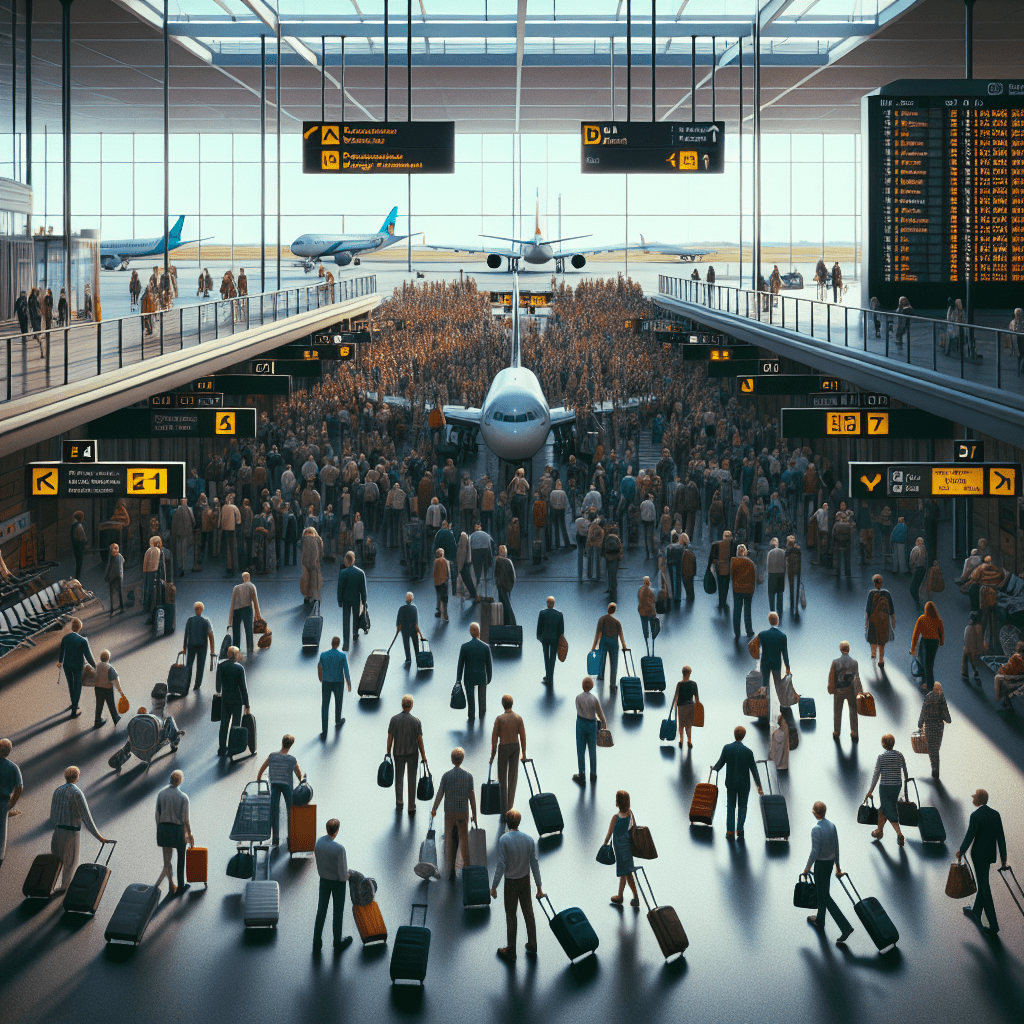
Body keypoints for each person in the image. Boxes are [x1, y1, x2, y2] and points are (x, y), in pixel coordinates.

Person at [491, 808, 544, 963]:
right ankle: (533, 944)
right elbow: (534, 864)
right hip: (525, 880)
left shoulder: (504, 840)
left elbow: (501, 864)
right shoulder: (528, 839)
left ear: (507, 823)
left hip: (510, 883)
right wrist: (539, 886)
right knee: (529, 913)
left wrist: (494, 886)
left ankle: (511, 950)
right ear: (519, 822)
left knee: (511, 915)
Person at [957, 789, 1008, 936]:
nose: (973, 799)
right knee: (983, 881)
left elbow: (970, 836)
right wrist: (1003, 859)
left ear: (979, 799)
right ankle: (976, 911)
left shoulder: (976, 816)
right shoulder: (995, 814)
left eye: (974, 797)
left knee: (984, 887)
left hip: (978, 856)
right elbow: (1001, 838)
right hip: (989, 855)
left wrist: (961, 851)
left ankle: (993, 925)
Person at [50, 766, 108, 890]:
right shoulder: (76, 793)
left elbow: (52, 814)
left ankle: (49, 885)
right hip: (71, 832)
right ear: (77, 777)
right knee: (70, 862)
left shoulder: (57, 791)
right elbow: (86, 817)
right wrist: (99, 837)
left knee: (56, 860)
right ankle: (64, 888)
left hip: (58, 830)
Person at [804, 801, 854, 945]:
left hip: (820, 864)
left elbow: (815, 851)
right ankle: (820, 919)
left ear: (814, 812)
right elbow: (836, 847)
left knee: (824, 895)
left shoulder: (816, 829)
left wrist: (807, 868)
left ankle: (845, 927)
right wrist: (837, 867)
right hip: (830, 863)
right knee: (823, 891)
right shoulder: (832, 826)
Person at [430, 747, 478, 880]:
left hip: (449, 813)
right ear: (462, 759)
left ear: (452, 759)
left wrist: (434, 808)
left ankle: (450, 868)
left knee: (449, 841)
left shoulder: (446, 776)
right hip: (463, 812)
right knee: (464, 840)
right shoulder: (468, 776)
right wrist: (474, 814)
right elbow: (472, 797)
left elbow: (440, 793)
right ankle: (466, 867)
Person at [712, 725, 764, 840]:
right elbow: (754, 770)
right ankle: (739, 829)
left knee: (730, 806)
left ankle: (729, 831)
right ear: (743, 736)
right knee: (742, 807)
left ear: (734, 734)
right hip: (744, 785)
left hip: (731, 783)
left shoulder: (727, 748)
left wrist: (713, 769)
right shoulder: (748, 752)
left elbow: (720, 764)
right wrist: (759, 786)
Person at [313, 818, 353, 952]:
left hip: (323, 881)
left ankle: (317, 941)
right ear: (337, 831)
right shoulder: (339, 849)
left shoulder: (319, 843)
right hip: (337, 884)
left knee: (321, 911)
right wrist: (349, 875)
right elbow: (342, 875)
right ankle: (337, 942)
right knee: (338, 912)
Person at [256, 734, 302, 848]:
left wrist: (258, 778)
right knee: (290, 810)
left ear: (282, 742)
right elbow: (298, 772)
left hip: (275, 784)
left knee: (274, 811)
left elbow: (263, 767)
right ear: (291, 745)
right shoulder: (292, 759)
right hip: (287, 785)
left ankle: (275, 838)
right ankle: (290, 838)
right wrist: (301, 781)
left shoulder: (272, 756)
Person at [865, 734, 909, 846]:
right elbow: (905, 771)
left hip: (885, 787)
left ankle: (899, 833)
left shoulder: (881, 757)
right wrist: (905, 788)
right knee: (884, 808)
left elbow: (876, 775)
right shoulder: (900, 755)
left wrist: (870, 790)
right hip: (896, 786)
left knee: (888, 810)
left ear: (883, 744)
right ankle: (879, 831)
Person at [155, 770, 193, 898]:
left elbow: (157, 814)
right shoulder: (183, 797)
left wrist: (159, 828)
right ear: (180, 781)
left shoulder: (161, 794)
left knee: (167, 859)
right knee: (181, 858)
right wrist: (190, 834)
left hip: (164, 828)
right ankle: (181, 885)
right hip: (177, 830)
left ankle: (171, 884)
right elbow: (185, 819)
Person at [387, 695, 428, 813]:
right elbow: (420, 740)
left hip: (398, 753)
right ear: (411, 706)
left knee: (399, 777)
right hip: (412, 753)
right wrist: (424, 757)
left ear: (402, 704)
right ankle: (411, 805)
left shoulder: (394, 720)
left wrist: (388, 752)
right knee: (412, 778)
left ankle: (399, 801)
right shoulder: (416, 721)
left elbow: (390, 737)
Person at [490, 695, 527, 818]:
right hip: (515, 747)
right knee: (513, 778)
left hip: (503, 747)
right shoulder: (518, 718)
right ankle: (510, 808)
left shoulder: (499, 719)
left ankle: (503, 810)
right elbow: (522, 736)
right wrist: (524, 752)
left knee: (502, 779)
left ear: (502, 704)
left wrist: (493, 753)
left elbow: (494, 738)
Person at [602, 790, 640, 906]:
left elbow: (609, 833)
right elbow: (635, 827)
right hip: (627, 847)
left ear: (617, 803)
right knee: (625, 872)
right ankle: (621, 895)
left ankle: (635, 896)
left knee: (627, 873)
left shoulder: (615, 818)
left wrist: (605, 844)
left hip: (619, 849)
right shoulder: (630, 814)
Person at [58, 618, 96, 719]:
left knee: (71, 685)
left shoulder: (65, 638)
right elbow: (89, 657)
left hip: (67, 665)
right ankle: (74, 709)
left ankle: (74, 703)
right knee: (77, 686)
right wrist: (95, 666)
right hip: (78, 665)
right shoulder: (83, 640)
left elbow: (62, 652)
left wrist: (60, 662)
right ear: (80, 627)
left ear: (71, 627)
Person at [216, 647, 250, 756]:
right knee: (235, 724)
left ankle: (222, 748)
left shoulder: (221, 666)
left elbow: (218, 685)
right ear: (235, 655)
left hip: (225, 699)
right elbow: (243, 688)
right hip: (237, 700)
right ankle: (232, 747)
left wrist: (219, 692)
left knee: (224, 723)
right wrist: (247, 704)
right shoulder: (239, 668)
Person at [756, 612, 797, 704]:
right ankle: (783, 702)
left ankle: (763, 703)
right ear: (777, 621)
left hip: (765, 663)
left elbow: (756, 648)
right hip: (776, 664)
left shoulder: (762, 635)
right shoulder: (782, 636)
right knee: (778, 684)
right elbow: (785, 653)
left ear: (769, 621)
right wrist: (787, 666)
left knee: (764, 683)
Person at [573, 676, 607, 784]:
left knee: (580, 750)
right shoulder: (594, 699)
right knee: (592, 750)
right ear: (591, 686)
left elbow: (577, 709)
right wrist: (604, 723)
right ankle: (593, 774)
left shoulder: (578, 697)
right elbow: (600, 713)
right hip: (591, 725)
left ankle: (581, 773)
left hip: (580, 723)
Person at [457, 622, 493, 720]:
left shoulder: (464, 647)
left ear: (470, 632)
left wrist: (458, 680)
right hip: (481, 676)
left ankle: (471, 714)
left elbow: (460, 665)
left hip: (469, 677)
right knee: (482, 697)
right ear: (479, 632)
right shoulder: (485, 647)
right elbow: (489, 665)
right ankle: (482, 712)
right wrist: (488, 678)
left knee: (470, 697)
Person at [318, 636, 351, 738]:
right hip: (338, 683)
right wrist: (348, 682)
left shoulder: (323, 655)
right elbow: (346, 670)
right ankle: (337, 720)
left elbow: (319, 666)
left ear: (331, 643)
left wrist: (321, 677)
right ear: (338, 644)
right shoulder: (342, 656)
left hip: (326, 682)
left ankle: (324, 728)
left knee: (325, 705)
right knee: (338, 702)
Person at [828, 641, 861, 742]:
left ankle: (837, 732)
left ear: (840, 649)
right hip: (851, 690)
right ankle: (854, 732)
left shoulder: (835, 662)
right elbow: (857, 678)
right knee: (853, 711)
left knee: (837, 711)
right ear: (849, 649)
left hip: (839, 690)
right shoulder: (854, 662)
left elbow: (832, 676)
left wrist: (831, 688)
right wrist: (859, 692)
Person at [918, 681, 952, 779]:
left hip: (929, 726)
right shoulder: (941, 698)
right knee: (936, 748)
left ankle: (934, 768)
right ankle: (936, 767)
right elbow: (945, 711)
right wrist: (948, 719)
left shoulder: (928, 697)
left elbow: (923, 711)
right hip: (939, 727)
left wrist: (920, 723)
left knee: (931, 748)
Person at [0, 738, 24, 871]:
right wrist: (12, 803)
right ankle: (0, 856)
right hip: (3, 801)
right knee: (1, 830)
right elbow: (19, 787)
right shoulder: (13, 767)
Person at [336, 550, 368, 651]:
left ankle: (346, 643)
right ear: (353, 560)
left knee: (346, 620)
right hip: (355, 599)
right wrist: (364, 600)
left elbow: (340, 588)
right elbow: (363, 589)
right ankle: (355, 633)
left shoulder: (343, 573)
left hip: (346, 600)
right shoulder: (360, 573)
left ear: (346, 560)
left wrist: (339, 600)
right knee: (356, 617)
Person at [591, 602, 627, 689]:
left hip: (604, 640)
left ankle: (600, 676)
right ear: (615, 610)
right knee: (614, 663)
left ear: (608, 609)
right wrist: (624, 646)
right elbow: (621, 635)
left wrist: (593, 647)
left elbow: (597, 634)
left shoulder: (602, 619)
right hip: (614, 642)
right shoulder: (617, 622)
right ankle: (613, 683)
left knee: (602, 659)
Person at [911, 600, 944, 692]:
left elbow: (916, 634)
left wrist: (913, 648)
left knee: (927, 664)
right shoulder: (938, 620)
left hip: (925, 642)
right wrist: (941, 642)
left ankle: (929, 686)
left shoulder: (922, 619)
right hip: (934, 643)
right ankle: (925, 680)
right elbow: (941, 632)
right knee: (930, 662)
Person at [182, 601, 215, 692]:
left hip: (192, 646)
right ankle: (197, 685)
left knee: (189, 666)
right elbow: (211, 636)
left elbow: (186, 635)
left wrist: (184, 647)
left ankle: (186, 685)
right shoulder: (206, 621)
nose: (197, 610)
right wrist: (212, 651)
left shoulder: (190, 620)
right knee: (200, 667)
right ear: (201, 610)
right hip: (202, 647)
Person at [88, 649, 125, 729]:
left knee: (99, 704)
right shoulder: (109, 668)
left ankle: (97, 720)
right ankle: (115, 718)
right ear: (108, 658)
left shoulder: (97, 666)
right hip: (107, 689)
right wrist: (120, 691)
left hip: (98, 689)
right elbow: (115, 680)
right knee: (111, 704)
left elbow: (93, 676)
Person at [865, 574, 896, 667]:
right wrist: (893, 621)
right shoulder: (887, 593)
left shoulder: (871, 593)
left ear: (874, 583)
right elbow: (892, 609)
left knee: (873, 639)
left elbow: (867, 609)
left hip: (873, 621)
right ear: (881, 583)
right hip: (884, 621)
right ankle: (881, 659)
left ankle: (873, 654)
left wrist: (866, 623)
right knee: (882, 641)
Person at [228, 572, 262, 656]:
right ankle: (250, 649)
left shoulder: (236, 587)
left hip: (237, 610)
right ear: (249, 577)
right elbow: (255, 601)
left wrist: (230, 617)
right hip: (247, 609)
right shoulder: (251, 586)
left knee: (236, 630)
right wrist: (258, 615)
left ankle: (236, 649)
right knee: (249, 630)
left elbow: (232, 603)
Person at [536, 595, 564, 687]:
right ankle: (550, 676)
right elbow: (561, 630)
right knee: (552, 658)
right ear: (554, 603)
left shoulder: (542, 613)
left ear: (547, 603)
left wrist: (539, 637)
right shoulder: (559, 614)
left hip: (545, 638)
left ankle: (548, 676)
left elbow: (539, 626)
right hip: (554, 639)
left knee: (546, 657)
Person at [731, 543, 756, 639]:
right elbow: (754, 577)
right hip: (748, 590)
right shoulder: (750, 563)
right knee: (747, 611)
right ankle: (749, 631)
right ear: (745, 551)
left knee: (737, 611)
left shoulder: (734, 561)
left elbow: (732, 575)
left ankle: (737, 632)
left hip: (737, 589)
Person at [670, 666, 699, 750]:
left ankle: (681, 740)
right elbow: (696, 698)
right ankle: (689, 741)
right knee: (689, 725)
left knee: (681, 725)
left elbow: (676, 696)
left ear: (683, 673)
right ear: (689, 673)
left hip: (681, 706)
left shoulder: (679, 684)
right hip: (690, 706)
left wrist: (674, 705)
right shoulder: (693, 684)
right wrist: (697, 707)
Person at [708, 530, 735, 611]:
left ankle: (720, 601)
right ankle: (724, 601)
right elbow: (733, 556)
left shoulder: (717, 544)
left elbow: (712, 557)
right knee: (726, 585)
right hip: (727, 566)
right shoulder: (731, 545)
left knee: (720, 584)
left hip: (719, 566)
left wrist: (710, 566)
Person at [300, 526, 324, 603]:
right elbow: (320, 551)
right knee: (314, 580)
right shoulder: (317, 539)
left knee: (308, 580)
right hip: (314, 563)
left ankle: (308, 596)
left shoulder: (306, 539)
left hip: (308, 562)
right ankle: (314, 596)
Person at [494, 544, 517, 626]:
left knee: (503, 605)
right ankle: (511, 623)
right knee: (507, 604)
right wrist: (510, 587)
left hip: (500, 586)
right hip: (507, 586)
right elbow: (513, 576)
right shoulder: (508, 561)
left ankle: (505, 622)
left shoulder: (496, 561)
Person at [962, 610, 986, 684]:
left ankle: (965, 672)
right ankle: (974, 673)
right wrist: (980, 649)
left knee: (966, 659)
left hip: (968, 647)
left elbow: (966, 636)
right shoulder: (977, 627)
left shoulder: (970, 627)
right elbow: (979, 639)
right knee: (973, 661)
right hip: (973, 648)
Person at [103, 541, 124, 617]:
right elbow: (123, 562)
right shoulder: (120, 556)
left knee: (112, 593)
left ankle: (112, 609)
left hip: (113, 578)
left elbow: (110, 568)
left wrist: (107, 576)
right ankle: (121, 607)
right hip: (119, 576)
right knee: (119, 593)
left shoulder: (112, 558)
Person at [637, 576, 658, 649]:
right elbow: (654, 600)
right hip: (651, 611)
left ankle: (646, 638)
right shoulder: (652, 591)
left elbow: (639, 598)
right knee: (652, 623)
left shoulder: (640, 590)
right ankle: (653, 635)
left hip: (642, 611)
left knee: (644, 625)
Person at [433, 547, 450, 622]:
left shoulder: (436, 562)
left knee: (438, 597)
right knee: (444, 598)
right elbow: (448, 572)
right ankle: (445, 615)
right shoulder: (445, 561)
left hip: (437, 583)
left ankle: (439, 611)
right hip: (444, 582)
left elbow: (435, 572)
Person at [70, 510, 87, 579]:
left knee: (78, 561)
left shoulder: (73, 525)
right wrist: (84, 540)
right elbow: (81, 536)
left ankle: (77, 576)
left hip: (75, 545)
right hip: (79, 545)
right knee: (79, 561)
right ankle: (77, 577)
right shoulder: (79, 526)